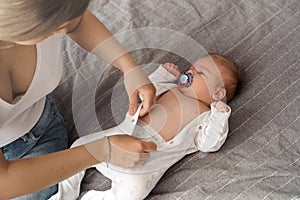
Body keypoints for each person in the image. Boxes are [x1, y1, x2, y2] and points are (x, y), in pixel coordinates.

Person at [0, 1, 157, 199]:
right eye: (53, 26)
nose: (65, 28)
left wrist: (128, 67)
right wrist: (100, 151)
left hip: (44, 124)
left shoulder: (59, 15)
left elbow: (77, 21)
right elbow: (3, 182)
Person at [50, 53, 240, 200]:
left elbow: (209, 144)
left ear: (217, 94)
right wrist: (163, 74)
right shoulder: (170, 88)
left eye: (200, 73)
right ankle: (64, 195)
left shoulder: (206, 116)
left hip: (146, 162)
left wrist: (220, 116)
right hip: (121, 135)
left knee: (134, 191)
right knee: (79, 146)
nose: (190, 72)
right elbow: (147, 90)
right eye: (191, 67)